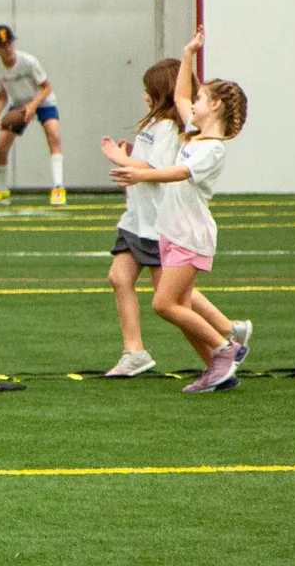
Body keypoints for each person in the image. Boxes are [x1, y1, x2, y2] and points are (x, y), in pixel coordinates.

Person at [102, 28, 249, 395]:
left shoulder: (211, 148)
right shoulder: (193, 132)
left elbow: (178, 173)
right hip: (172, 230)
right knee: (177, 302)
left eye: (201, 99)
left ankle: (224, 347)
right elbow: (180, 93)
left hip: (190, 233)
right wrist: (188, 55)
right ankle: (219, 368)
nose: (192, 102)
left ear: (214, 106)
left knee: (165, 304)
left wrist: (136, 171)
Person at [0, 23, 65, 207]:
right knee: (0, 147)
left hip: (43, 101)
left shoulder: (28, 61)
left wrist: (33, 106)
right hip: (19, 105)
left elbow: (46, 87)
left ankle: (58, 187)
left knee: (54, 135)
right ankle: (2, 191)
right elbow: (2, 97)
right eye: (3, 45)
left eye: (10, 43)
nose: (8, 48)